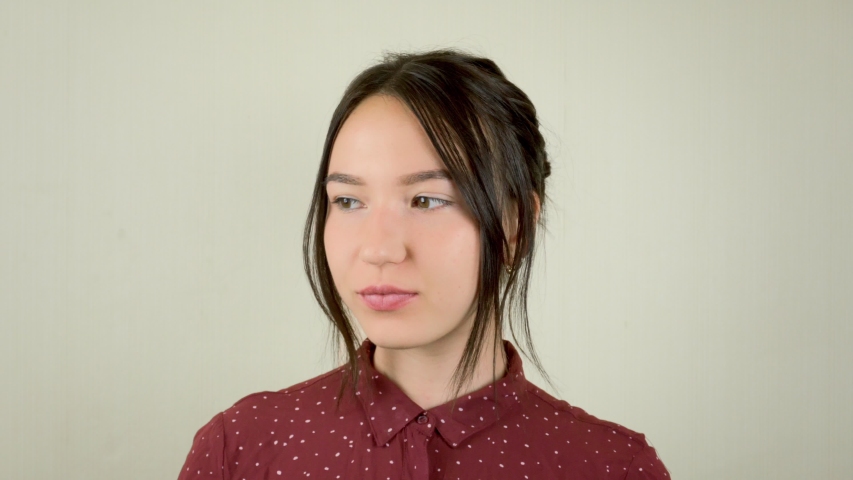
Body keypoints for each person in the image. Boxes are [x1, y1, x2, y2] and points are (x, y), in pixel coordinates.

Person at [177, 49, 670, 479]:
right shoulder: (239, 448)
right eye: (348, 201)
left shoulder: (611, 467)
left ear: (516, 224)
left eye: (427, 200)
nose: (379, 249)